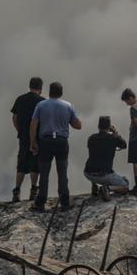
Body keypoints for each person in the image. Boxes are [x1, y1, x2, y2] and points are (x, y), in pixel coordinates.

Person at [29, 82, 82, 212]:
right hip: (61, 141)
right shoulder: (68, 105)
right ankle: (64, 202)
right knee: (62, 172)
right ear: (61, 92)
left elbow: (33, 124)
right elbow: (78, 125)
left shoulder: (41, 105)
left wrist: (33, 142)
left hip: (45, 142)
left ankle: (40, 202)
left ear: (49, 92)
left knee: (44, 172)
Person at [10, 77, 44, 203]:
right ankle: (33, 191)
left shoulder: (20, 99)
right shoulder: (42, 102)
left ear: (29, 86)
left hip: (23, 137)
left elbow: (14, 117)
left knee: (21, 164)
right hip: (37, 137)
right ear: (40, 88)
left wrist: (19, 130)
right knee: (35, 165)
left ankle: (17, 191)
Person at [83, 116, 129, 201]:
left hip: (88, 173)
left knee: (94, 160)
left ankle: (94, 186)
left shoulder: (91, 138)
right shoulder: (113, 138)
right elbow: (124, 145)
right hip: (104, 175)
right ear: (109, 127)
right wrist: (115, 132)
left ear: (98, 126)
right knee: (125, 185)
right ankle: (107, 189)